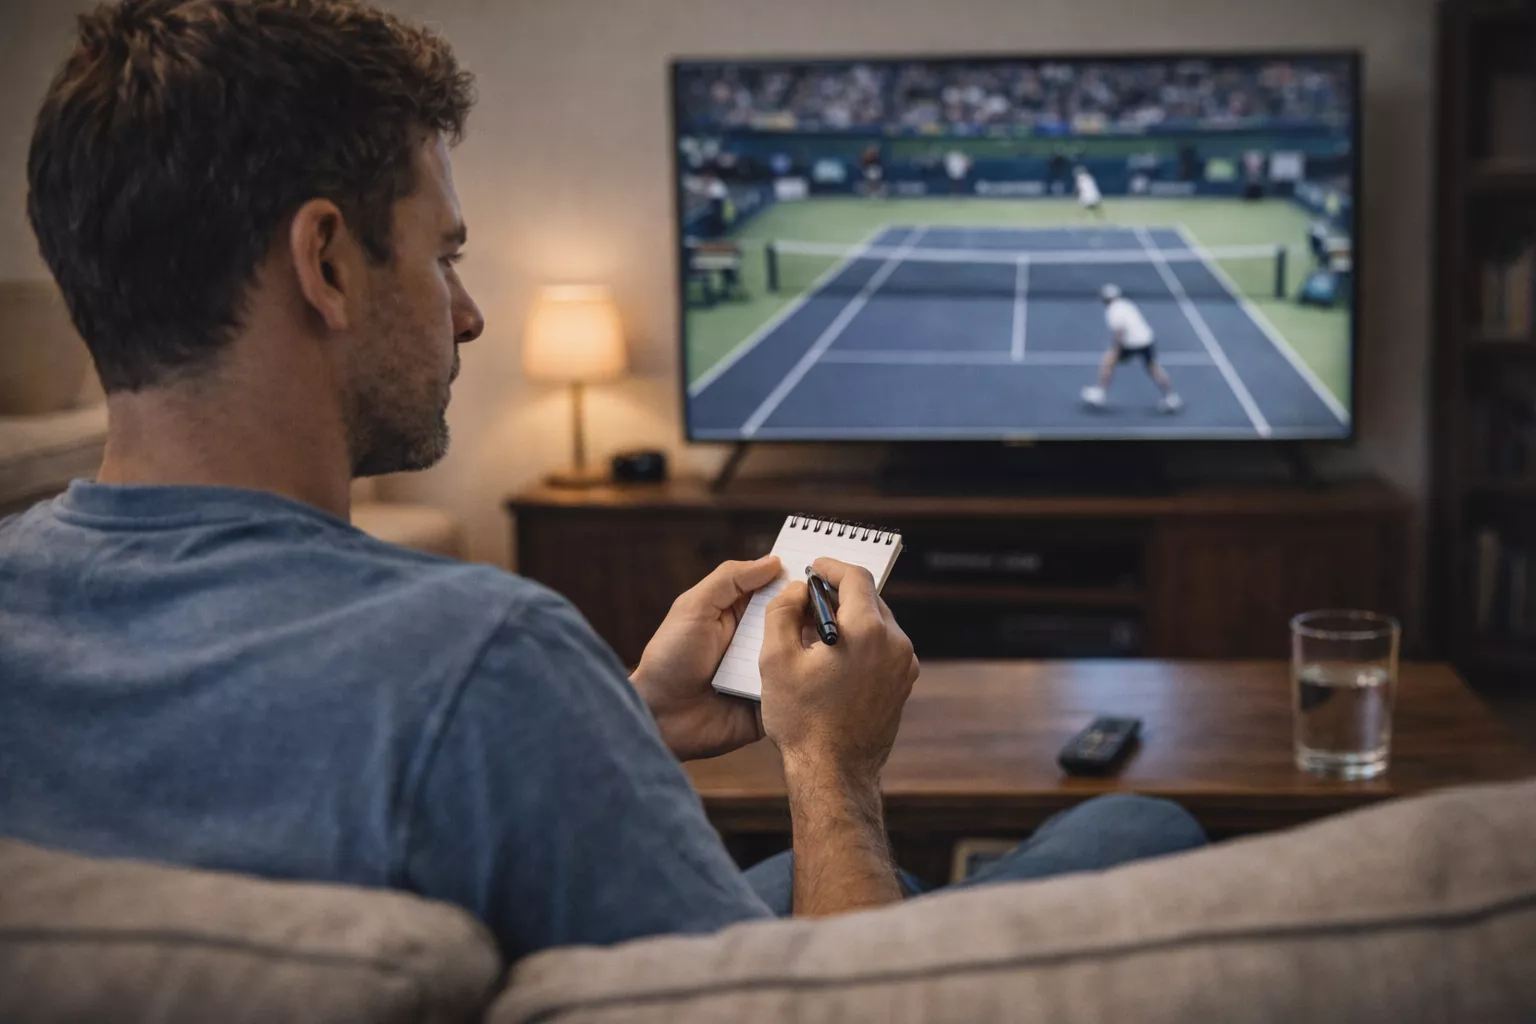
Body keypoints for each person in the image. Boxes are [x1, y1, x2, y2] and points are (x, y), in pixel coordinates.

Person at [0, 0, 1204, 965]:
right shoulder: (484, 653)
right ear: (327, 262)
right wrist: (831, 767)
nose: (467, 314)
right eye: (445, 255)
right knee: (1138, 825)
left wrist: (618, 720)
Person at [1082, 284, 1183, 413]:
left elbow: (1120, 332)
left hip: (1131, 343)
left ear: (1106, 298)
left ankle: (1099, 394)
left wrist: (1116, 350)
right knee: (1153, 368)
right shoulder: (1126, 303)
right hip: (1147, 340)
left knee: (1107, 361)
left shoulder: (1112, 311)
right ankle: (1172, 397)